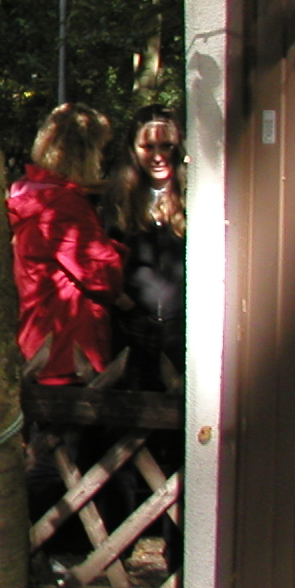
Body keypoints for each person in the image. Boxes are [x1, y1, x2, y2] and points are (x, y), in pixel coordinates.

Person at [7, 103, 123, 384]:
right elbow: (102, 275)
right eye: (100, 150)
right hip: (69, 350)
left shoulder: (31, 197)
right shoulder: (63, 205)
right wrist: (118, 249)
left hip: (41, 343)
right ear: (85, 153)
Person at [104, 107, 187, 385]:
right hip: (133, 328)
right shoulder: (118, 199)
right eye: (148, 147)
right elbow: (105, 257)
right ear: (133, 150)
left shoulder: (196, 194)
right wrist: (124, 303)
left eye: (166, 146)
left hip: (183, 328)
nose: (158, 156)